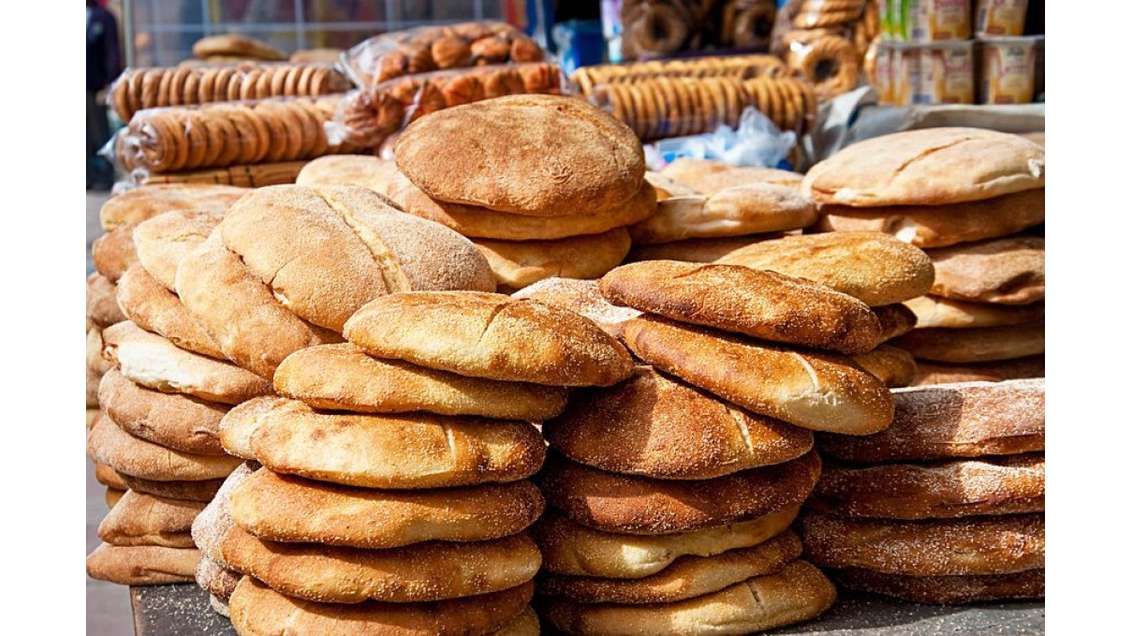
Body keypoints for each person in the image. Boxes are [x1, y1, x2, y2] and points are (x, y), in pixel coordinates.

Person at [87, 0, 121, 190]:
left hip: (95, 86)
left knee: (100, 131)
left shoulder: (104, 17)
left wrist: (109, 83)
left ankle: (106, 176)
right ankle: (87, 177)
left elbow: (112, 52)